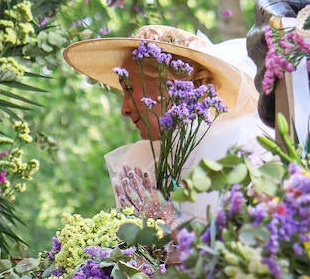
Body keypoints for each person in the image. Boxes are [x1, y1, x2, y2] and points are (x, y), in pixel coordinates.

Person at [63, 24, 273, 223]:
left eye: (128, 89)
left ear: (169, 86)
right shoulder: (139, 165)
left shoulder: (238, 146)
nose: (124, 109)